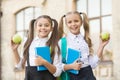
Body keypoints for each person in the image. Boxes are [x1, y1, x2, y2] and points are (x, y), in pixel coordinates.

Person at [58, 11, 110, 80]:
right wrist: (71, 66)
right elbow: (57, 66)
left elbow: (92, 64)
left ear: (81, 22)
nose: (73, 24)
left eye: (76, 21)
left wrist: (101, 46)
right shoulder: (62, 42)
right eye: (70, 22)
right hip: (72, 77)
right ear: (66, 24)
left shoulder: (85, 40)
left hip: (88, 75)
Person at [11, 15, 62, 80]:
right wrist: (15, 51)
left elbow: (58, 72)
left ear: (51, 28)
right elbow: (20, 66)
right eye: (40, 25)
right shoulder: (28, 43)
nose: (43, 28)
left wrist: (45, 63)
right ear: (35, 27)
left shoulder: (54, 45)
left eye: (46, 25)